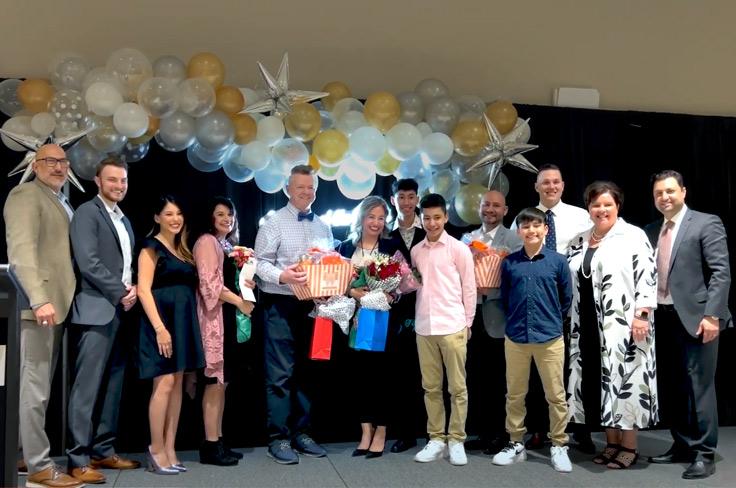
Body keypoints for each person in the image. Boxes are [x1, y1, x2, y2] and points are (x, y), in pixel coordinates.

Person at [4, 144, 82, 488]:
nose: (58, 166)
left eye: (63, 161)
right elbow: (21, 253)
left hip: (56, 305)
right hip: (38, 308)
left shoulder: (60, 200)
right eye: (50, 161)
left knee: (39, 389)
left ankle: (22, 454)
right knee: (33, 390)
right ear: (35, 165)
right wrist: (38, 300)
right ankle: (38, 465)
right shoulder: (24, 195)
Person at [645, 170, 731, 480]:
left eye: (669, 191)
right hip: (663, 317)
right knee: (673, 387)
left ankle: (704, 452)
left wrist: (713, 316)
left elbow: (721, 272)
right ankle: (681, 444)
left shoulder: (706, 223)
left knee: (701, 387)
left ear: (683, 191)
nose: (664, 197)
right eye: (658, 193)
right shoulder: (651, 230)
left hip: (698, 319)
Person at [567, 181, 658, 469]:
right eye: (595, 205)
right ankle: (612, 443)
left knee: (626, 381)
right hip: (587, 327)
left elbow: (647, 276)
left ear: (618, 205)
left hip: (624, 325)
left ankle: (629, 445)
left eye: (607, 204)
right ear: (588, 208)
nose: (601, 209)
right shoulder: (579, 240)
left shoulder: (633, 235)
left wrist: (642, 315)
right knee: (600, 383)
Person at [66, 158, 140, 484]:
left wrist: (133, 288)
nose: (118, 186)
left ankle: (102, 450)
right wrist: (120, 292)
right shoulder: (86, 213)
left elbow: (125, 265)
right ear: (98, 180)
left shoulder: (123, 219)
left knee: (113, 386)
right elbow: (88, 263)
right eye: (112, 180)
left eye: (122, 180)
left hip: (121, 310)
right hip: (97, 309)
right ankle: (77, 459)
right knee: (87, 389)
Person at [255, 165, 333, 464]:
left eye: (310, 187)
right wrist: (283, 276)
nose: (306, 192)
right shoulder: (273, 223)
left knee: (308, 371)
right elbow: (260, 264)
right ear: (288, 189)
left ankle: (303, 433)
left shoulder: (323, 227)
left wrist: (329, 285)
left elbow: (330, 264)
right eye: (300, 187)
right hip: (281, 306)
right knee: (280, 374)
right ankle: (279, 437)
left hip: (314, 307)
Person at [512, 163, 593, 452]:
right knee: (535, 373)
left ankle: (579, 428)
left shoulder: (580, 216)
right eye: (544, 182)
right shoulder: (524, 219)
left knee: (575, 366)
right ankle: (537, 429)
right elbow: (514, 261)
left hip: (573, 302)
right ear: (536, 187)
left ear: (562, 185)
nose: (550, 186)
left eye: (555, 181)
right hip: (536, 308)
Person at [492, 207, 572, 472]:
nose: (531, 230)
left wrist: (549, 319)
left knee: (556, 396)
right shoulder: (510, 263)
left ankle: (559, 444)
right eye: (525, 226)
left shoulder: (558, 262)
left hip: (550, 338)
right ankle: (516, 443)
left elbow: (566, 299)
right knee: (514, 395)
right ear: (519, 231)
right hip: (516, 338)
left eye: (536, 225)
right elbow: (505, 298)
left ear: (545, 230)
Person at [137, 195, 205, 475]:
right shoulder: (150, 247)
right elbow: (143, 290)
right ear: (157, 218)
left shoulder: (184, 251)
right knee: (163, 384)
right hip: (161, 324)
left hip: (183, 323)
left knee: (176, 384)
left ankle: (170, 448)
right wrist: (160, 329)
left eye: (178, 213)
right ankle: (155, 449)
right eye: (168, 214)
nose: (175, 219)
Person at [411, 193, 476, 466]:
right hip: (424, 328)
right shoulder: (416, 251)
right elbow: (414, 285)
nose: (432, 223)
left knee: (458, 388)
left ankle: (456, 440)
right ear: (421, 219)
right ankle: (436, 438)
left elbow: (469, 286)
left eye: (437, 217)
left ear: (446, 217)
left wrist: (468, 323)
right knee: (431, 388)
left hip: (453, 326)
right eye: (427, 218)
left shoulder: (458, 248)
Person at [193, 197, 255, 466]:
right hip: (214, 321)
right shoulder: (207, 241)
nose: (226, 218)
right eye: (220, 214)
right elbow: (209, 285)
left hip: (228, 320)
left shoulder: (226, 244)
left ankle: (218, 440)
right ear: (210, 217)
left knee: (222, 384)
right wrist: (239, 301)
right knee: (214, 384)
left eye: (230, 214)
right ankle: (210, 445)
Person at [337, 196, 399, 458]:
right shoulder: (344, 247)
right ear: (361, 218)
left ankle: (381, 431)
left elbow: (405, 283)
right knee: (358, 378)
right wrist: (353, 292)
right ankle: (365, 431)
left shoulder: (392, 246)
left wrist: (390, 296)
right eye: (371, 216)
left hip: (383, 322)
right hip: (353, 323)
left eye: (381, 218)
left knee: (381, 378)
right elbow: (336, 284)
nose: (375, 222)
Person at [465, 190, 522, 455]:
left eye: (496, 206)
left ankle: (501, 434)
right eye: (486, 204)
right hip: (471, 320)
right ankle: (482, 432)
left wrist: (491, 289)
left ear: (505, 210)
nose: (490, 209)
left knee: (500, 380)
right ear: (479, 207)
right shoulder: (467, 239)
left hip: (500, 319)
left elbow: (519, 278)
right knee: (476, 378)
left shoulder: (514, 239)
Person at [387, 178, 426, 453]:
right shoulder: (386, 236)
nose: (407, 202)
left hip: (428, 311)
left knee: (428, 374)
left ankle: (432, 430)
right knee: (400, 374)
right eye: (401, 197)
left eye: (411, 197)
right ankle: (405, 432)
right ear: (393, 201)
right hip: (395, 314)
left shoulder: (430, 233)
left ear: (417, 199)